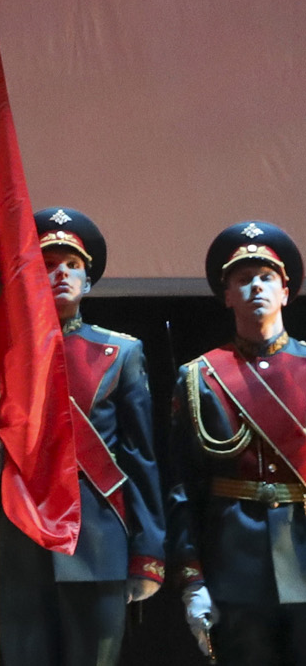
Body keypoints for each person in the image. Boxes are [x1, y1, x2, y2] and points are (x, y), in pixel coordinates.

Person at [0, 208, 164, 665]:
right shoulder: (3, 356)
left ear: (88, 281)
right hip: (20, 543)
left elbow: (140, 458)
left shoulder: (121, 352)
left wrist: (147, 552)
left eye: (72, 265)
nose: (60, 274)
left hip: (97, 543)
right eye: (48, 265)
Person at [168, 221, 306, 664]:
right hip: (236, 564)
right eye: (243, 279)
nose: (256, 287)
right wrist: (192, 580)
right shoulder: (201, 377)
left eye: (267, 277)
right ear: (227, 296)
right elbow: (183, 487)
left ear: (286, 291)